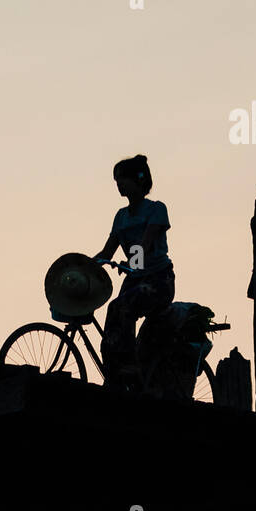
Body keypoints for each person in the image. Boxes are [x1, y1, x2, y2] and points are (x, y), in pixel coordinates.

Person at [92, 155, 175, 383]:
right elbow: (107, 253)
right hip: (135, 279)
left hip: (159, 280)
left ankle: (130, 365)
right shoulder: (121, 217)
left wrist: (132, 263)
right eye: (116, 180)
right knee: (112, 311)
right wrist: (86, 265)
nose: (119, 184)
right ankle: (112, 371)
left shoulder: (157, 210)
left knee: (125, 306)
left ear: (138, 180)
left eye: (123, 179)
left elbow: (146, 243)